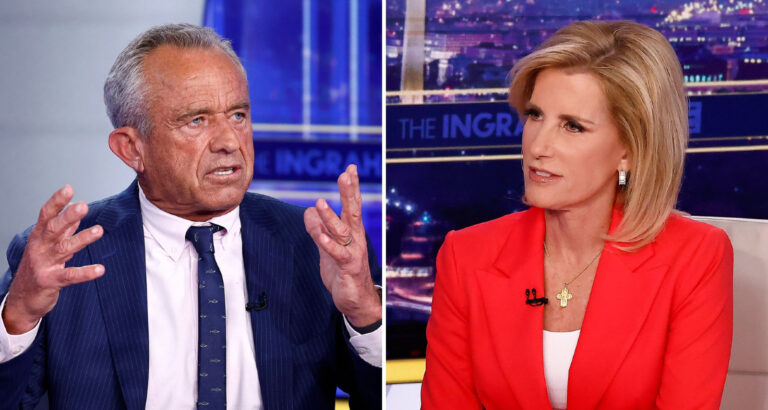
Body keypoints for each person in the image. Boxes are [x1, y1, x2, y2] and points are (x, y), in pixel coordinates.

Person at [0, 24, 381, 410]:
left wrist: (365, 313)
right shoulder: (61, 259)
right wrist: (17, 318)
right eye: (196, 120)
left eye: (238, 115)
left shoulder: (316, 246)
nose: (229, 141)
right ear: (132, 148)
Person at [421, 20, 733, 410]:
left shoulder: (695, 257)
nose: (538, 146)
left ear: (629, 150)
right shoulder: (466, 255)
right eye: (535, 115)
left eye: (572, 126)